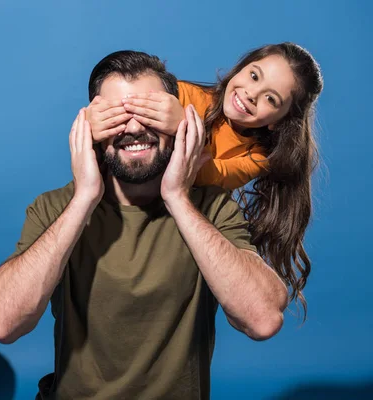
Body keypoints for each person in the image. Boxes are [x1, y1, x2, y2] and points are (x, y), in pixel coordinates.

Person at [0, 50, 288, 400]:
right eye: (118, 115)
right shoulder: (56, 207)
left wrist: (177, 198)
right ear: (91, 127)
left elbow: (263, 319)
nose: (135, 127)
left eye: (148, 113)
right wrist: (84, 198)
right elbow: (1, 323)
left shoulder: (211, 208)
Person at [89, 43, 323, 319]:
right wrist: (97, 120)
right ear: (240, 68)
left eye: (271, 99)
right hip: (125, 201)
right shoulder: (185, 93)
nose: (251, 94)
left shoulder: (257, 158)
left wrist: (183, 126)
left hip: (180, 223)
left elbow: (208, 174)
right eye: (254, 76)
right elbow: (130, 122)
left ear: (279, 120)